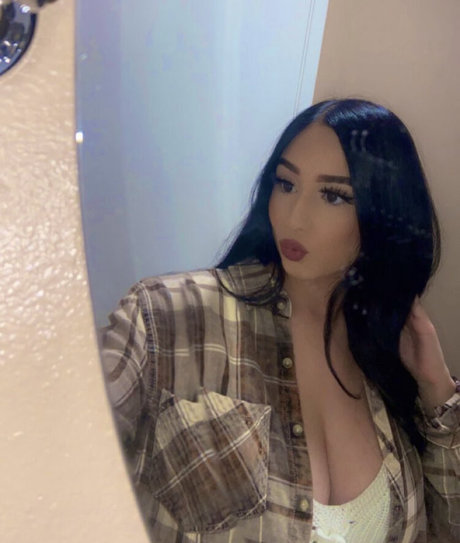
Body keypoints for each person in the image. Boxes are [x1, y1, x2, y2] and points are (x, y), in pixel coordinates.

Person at [101, 99, 459, 543]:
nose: (294, 217)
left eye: (333, 196)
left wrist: (437, 390)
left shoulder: (388, 367)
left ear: (385, 216)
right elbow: (53, 470)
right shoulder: (166, 316)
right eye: (286, 184)